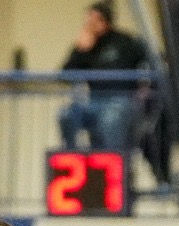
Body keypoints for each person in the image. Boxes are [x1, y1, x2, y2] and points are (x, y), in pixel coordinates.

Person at [59, 2, 149, 154]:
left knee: (110, 119)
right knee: (66, 114)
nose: (90, 24)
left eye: (94, 20)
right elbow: (65, 76)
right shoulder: (87, 44)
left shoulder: (125, 41)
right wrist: (80, 51)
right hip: (94, 100)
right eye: (88, 20)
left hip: (121, 100)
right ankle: (72, 156)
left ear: (105, 21)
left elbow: (151, 61)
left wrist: (145, 87)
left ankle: (112, 159)